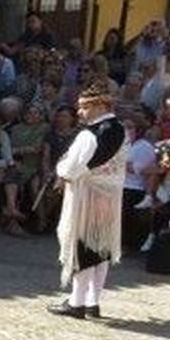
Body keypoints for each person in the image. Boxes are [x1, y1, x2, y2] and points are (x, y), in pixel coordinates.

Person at [49, 85, 127, 318]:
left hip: (86, 196)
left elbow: (72, 168)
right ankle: (93, 302)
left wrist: (61, 170)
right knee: (101, 247)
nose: (80, 112)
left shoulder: (90, 134)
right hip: (110, 197)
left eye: (84, 107)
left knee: (82, 246)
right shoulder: (121, 129)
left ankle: (77, 302)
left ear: (100, 105)